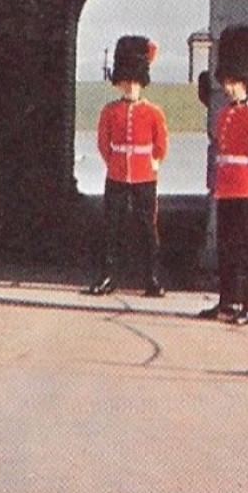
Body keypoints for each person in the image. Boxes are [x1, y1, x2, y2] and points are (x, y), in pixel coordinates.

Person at [198, 24, 248, 325]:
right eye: (227, 82)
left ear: (245, 82)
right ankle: (227, 301)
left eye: (234, 82)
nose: (229, 87)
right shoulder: (225, 114)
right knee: (227, 249)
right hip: (227, 190)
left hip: (245, 190)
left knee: (246, 250)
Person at [87, 35, 169, 298]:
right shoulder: (110, 111)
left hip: (144, 175)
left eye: (135, 82)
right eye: (126, 82)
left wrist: (153, 162)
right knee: (112, 226)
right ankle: (108, 276)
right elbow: (103, 143)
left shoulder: (153, 112)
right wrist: (114, 164)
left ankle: (152, 278)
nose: (130, 87)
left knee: (147, 226)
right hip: (118, 174)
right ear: (120, 82)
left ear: (141, 82)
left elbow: (160, 143)